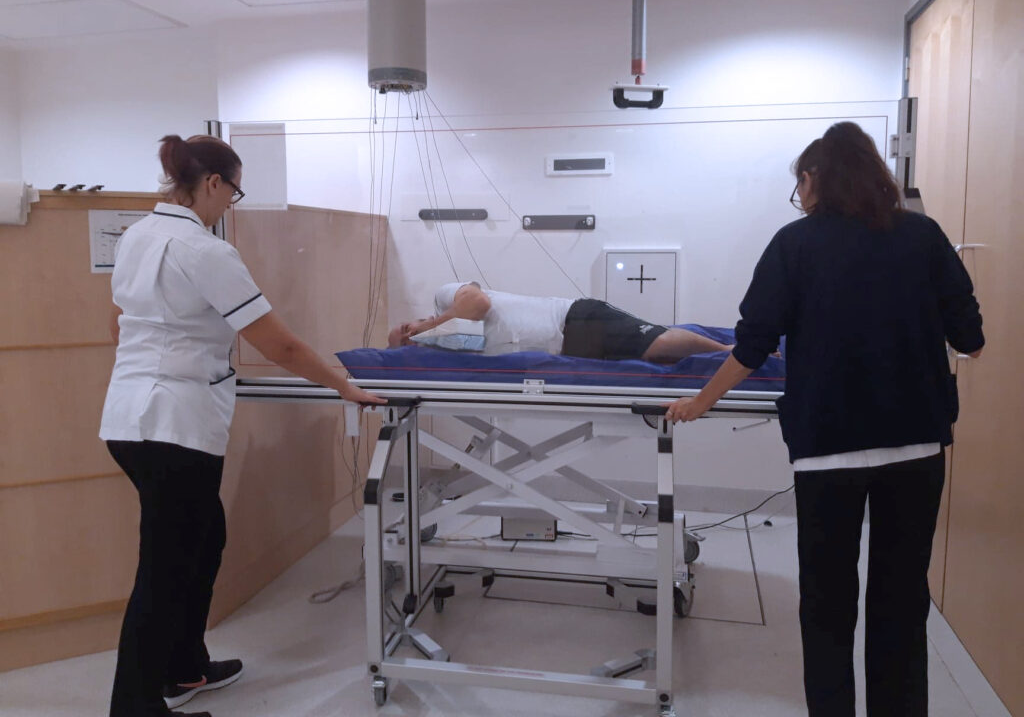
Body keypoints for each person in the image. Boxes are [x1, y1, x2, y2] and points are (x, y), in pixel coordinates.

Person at [663, 122, 984, 717]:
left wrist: (700, 403)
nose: (801, 196)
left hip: (828, 453)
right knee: (902, 602)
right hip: (916, 450)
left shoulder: (795, 244)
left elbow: (752, 344)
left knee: (829, 608)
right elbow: (971, 335)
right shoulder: (924, 235)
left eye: (800, 184)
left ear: (815, 179)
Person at [99, 134, 385, 717]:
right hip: (174, 427)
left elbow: (120, 322)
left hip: (129, 419)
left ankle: (185, 666)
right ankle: (135, 705)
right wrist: (342, 386)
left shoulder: (136, 236)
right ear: (212, 184)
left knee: (204, 541)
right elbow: (276, 341)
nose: (232, 201)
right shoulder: (205, 251)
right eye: (234, 190)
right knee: (166, 564)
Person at [387, 282, 733, 362]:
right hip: (571, 348)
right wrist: (423, 341)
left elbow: (478, 303)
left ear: (420, 319)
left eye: (406, 328)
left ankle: (729, 351)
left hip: (575, 320)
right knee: (655, 353)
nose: (410, 335)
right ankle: (724, 354)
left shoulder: (445, 298)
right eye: (405, 342)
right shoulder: (449, 350)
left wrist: (432, 326)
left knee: (658, 344)